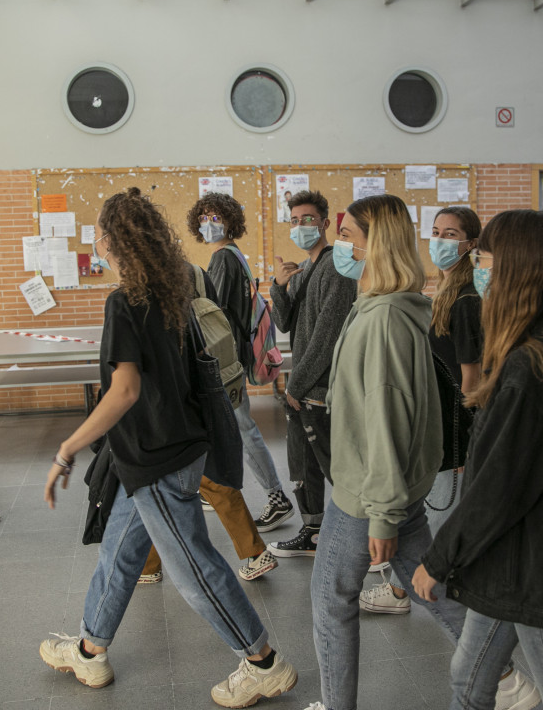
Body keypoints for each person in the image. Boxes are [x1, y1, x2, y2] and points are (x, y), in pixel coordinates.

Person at [38, 188, 297, 707]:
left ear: (112, 240)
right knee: (119, 551)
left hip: (157, 459)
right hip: (170, 452)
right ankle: (91, 648)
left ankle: (263, 661)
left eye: (99, 231)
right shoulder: (171, 294)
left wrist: (68, 445)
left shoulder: (125, 302)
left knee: (193, 567)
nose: (97, 239)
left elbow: (126, 390)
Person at [412, 209, 543, 710]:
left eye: (482, 257)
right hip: (516, 557)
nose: (476, 265)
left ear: (516, 269)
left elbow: (500, 485)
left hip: (538, 567)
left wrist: (440, 560)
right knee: (468, 680)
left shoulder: (533, 364)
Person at [307, 194, 469, 710]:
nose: (340, 244)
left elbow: (385, 420)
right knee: (426, 583)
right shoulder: (386, 306)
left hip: (367, 490)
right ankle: (505, 673)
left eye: (349, 235)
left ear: (377, 245)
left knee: (330, 600)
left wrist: (381, 513)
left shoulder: (382, 319)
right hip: (384, 484)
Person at [360, 205, 483, 615]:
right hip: (442, 420)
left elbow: (470, 378)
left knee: (438, 516)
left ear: (470, 245)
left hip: (454, 424)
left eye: (451, 233)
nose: (440, 240)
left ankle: (406, 591)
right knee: (427, 517)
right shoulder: (443, 292)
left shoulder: (466, 300)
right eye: (435, 231)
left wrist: (459, 436)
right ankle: (401, 588)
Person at [136, 263, 278, 585]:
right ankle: (252, 551)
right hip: (210, 391)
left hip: (175, 407)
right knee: (199, 478)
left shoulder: (151, 292)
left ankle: (150, 566)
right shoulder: (196, 273)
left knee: (154, 484)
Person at [186, 192, 295, 532]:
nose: (209, 225)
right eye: (203, 219)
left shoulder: (223, 260)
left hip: (224, 360)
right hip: (230, 356)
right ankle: (213, 487)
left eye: (215, 218)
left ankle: (278, 497)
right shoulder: (234, 256)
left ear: (230, 221)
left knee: (242, 426)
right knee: (227, 424)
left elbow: (210, 313)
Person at [269, 190, 357, 556]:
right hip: (305, 385)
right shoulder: (306, 268)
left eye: (308, 219)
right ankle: (314, 532)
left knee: (336, 467)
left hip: (320, 386)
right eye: (294, 220)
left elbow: (327, 336)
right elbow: (285, 323)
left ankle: (362, 538)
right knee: (304, 463)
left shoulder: (336, 266)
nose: (301, 226)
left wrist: (298, 384)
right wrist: (279, 286)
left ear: (325, 223)